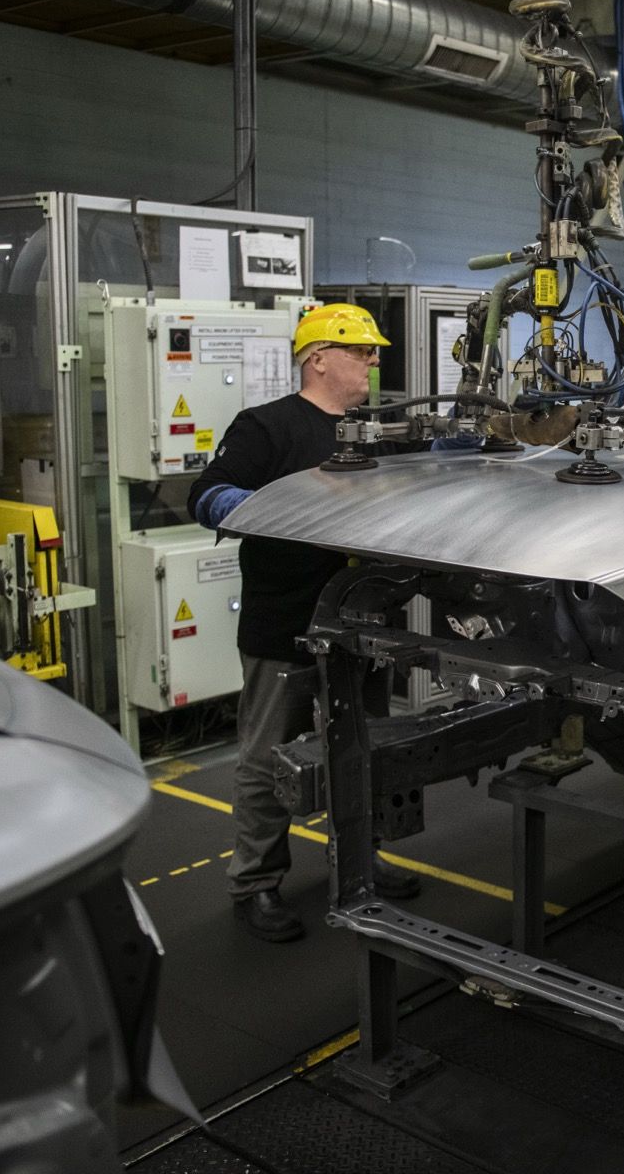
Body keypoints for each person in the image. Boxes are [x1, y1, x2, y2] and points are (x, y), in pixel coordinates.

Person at [190, 302, 424, 943]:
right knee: (269, 760)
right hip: (285, 624)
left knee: (366, 746)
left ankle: (360, 858)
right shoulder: (266, 427)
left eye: (376, 352)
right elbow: (207, 497)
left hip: (364, 624)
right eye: (362, 351)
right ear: (318, 358)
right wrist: (291, 508)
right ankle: (255, 884)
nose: (375, 362)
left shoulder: (378, 429)